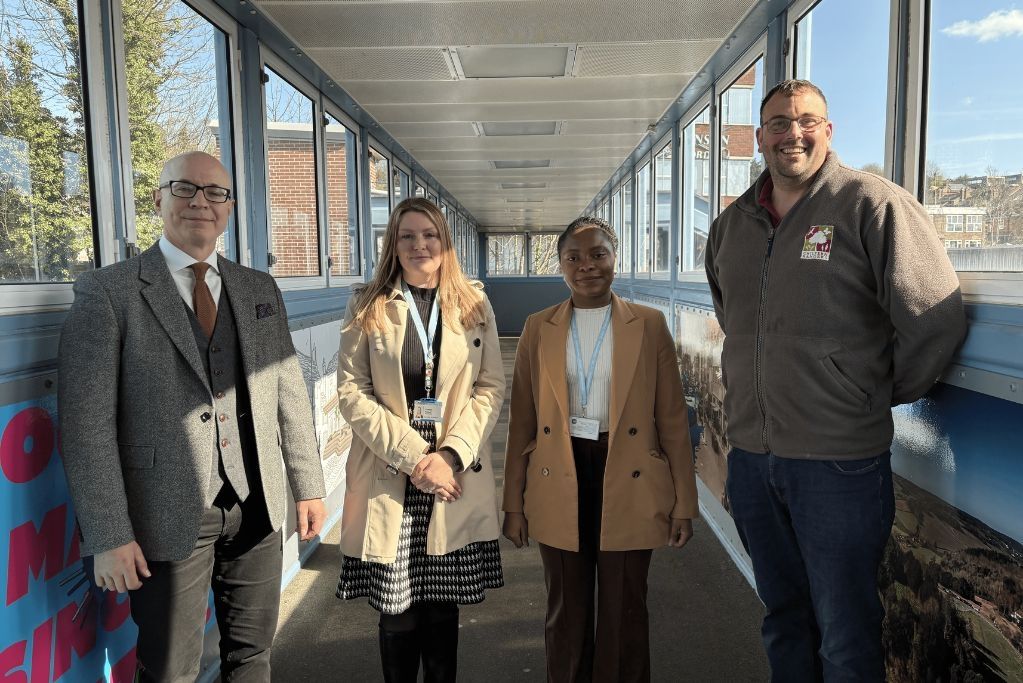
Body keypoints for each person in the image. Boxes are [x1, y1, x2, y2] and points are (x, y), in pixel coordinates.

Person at [705, 79, 967, 681]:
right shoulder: (732, 226)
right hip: (752, 458)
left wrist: (867, 390)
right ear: (761, 137)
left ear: (828, 130)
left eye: (805, 120)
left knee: (845, 634)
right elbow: (737, 318)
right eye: (776, 122)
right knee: (783, 616)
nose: (790, 133)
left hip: (838, 464)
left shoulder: (871, 205)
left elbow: (934, 317)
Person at [57, 151, 327, 681]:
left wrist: (308, 485)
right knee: (170, 670)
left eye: (215, 192)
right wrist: (109, 534)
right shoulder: (108, 293)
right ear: (158, 199)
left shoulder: (258, 289)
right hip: (164, 514)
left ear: (228, 209)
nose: (200, 202)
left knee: (252, 656)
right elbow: (85, 427)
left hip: (256, 507)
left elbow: (288, 394)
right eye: (185, 189)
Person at [502, 216, 698, 683]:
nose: (587, 266)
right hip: (559, 470)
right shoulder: (537, 327)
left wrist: (683, 504)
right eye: (574, 257)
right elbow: (521, 423)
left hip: (627, 473)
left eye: (598, 255)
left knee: (625, 607)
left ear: (615, 259)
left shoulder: (649, 325)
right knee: (566, 609)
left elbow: (672, 420)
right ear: (561, 266)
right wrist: (513, 504)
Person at [335, 197, 505, 683]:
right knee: (397, 610)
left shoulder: (473, 303)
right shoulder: (366, 303)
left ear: (445, 242)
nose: (418, 245)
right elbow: (351, 392)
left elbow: (489, 387)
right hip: (392, 472)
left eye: (428, 234)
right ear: (393, 243)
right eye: (406, 235)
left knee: (441, 611)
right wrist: (416, 457)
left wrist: (449, 456)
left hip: (453, 474)